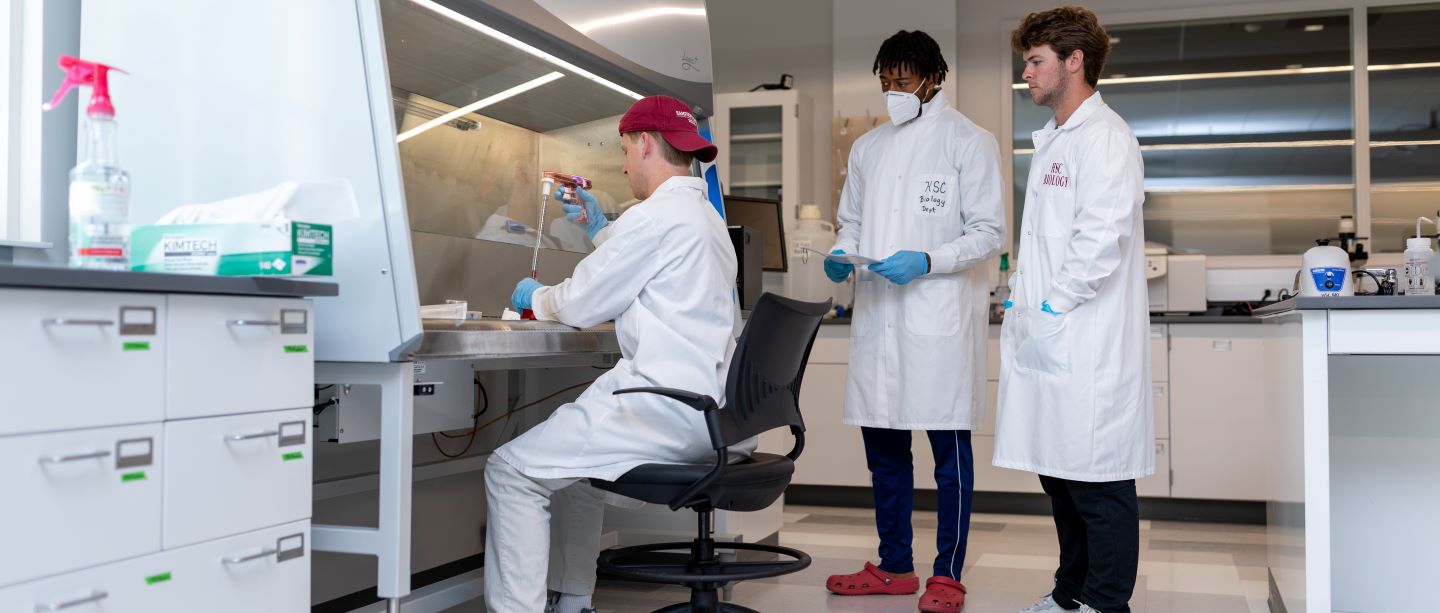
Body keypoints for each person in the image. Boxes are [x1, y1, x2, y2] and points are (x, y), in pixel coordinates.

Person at [485, 94, 746, 613]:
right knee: (578, 476)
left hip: (662, 406)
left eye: (625, 150)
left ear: (645, 143)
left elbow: (580, 303)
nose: (625, 164)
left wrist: (532, 298)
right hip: (712, 415)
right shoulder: (704, 219)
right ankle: (575, 601)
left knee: (509, 471)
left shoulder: (654, 218)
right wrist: (601, 229)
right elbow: (647, 270)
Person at [823, 29, 1004, 613]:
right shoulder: (868, 149)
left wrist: (928, 260)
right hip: (880, 317)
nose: (892, 92)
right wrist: (840, 250)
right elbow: (849, 220)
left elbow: (987, 233)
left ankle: (947, 574)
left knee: (949, 454)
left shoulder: (969, 142)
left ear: (932, 79)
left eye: (901, 82)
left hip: (938, 321)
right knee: (885, 450)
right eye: (885, 82)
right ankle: (895, 565)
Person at [994, 7, 1151, 613]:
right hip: (1054, 333)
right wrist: (1030, 302)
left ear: (1074, 60)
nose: (1026, 75)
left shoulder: (1106, 137)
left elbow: (1099, 240)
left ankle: (1106, 602)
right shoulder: (1059, 139)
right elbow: (1047, 241)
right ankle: (1070, 594)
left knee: (1099, 483)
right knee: (1061, 477)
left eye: (1035, 62)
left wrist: (1052, 305)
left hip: (1086, 339)